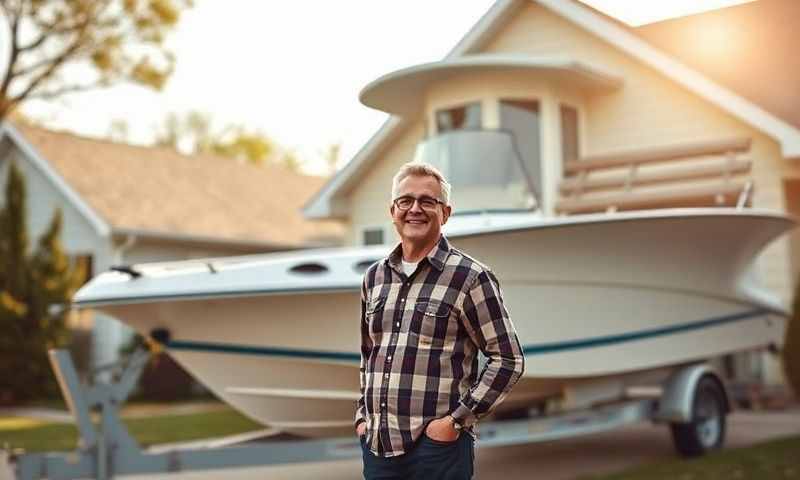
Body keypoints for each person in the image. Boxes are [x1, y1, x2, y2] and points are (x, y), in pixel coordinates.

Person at [355, 162, 525, 479]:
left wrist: (456, 422)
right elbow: (369, 355)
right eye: (405, 201)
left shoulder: (471, 277)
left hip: (437, 451)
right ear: (393, 210)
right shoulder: (373, 278)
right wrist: (363, 418)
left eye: (427, 201)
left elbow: (508, 359)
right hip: (378, 448)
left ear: (445, 213)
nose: (415, 209)